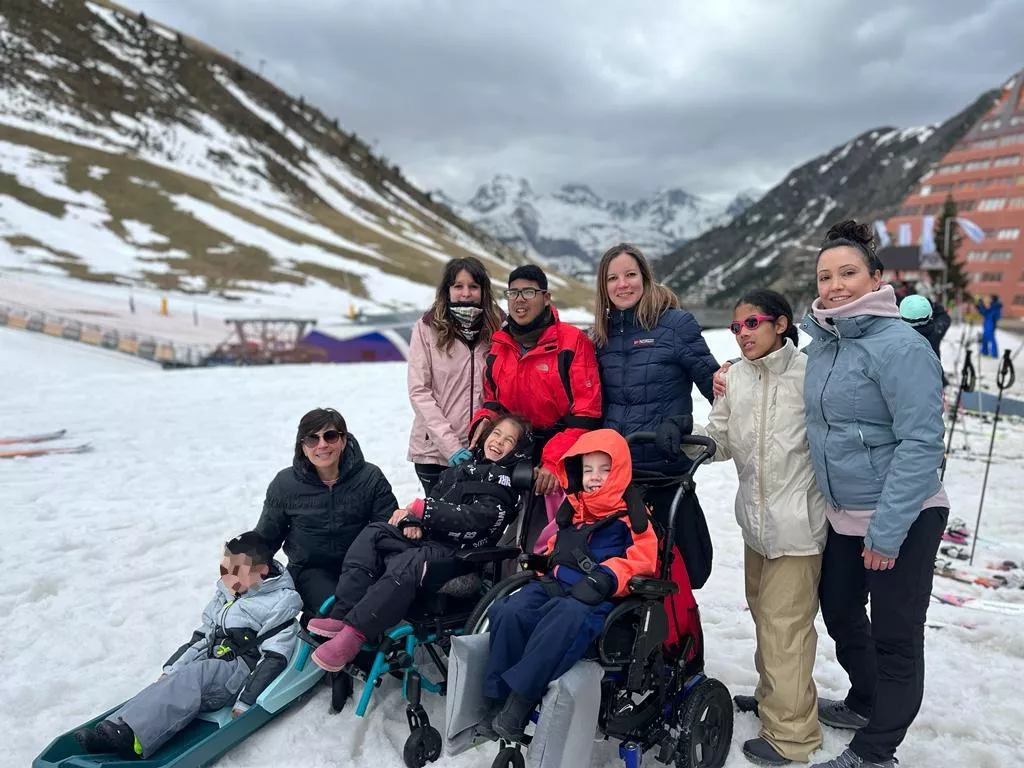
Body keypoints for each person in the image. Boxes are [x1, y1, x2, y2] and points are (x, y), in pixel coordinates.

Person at [803, 220, 949, 768]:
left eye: (847, 273)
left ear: (876, 278)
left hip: (904, 514)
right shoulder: (825, 344)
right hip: (846, 514)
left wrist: (887, 533)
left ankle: (876, 749)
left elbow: (922, 442)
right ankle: (867, 700)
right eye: (825, 276)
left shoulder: (901, 346)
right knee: (840, 611)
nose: (835, 286)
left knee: (895, 636)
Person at [687, 289, 826, 766]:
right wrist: (685, 441)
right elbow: (721, 438)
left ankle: (792, 736)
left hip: (799, 527)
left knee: (786, 629)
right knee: (768, 620)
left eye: (752, 323)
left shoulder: (811, 374)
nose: (742, 333)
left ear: (781, 324)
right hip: (756, 525)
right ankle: (775, 699)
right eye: (735, 327)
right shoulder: (735, 379)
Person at [306, 415, 533, 671]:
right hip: (430, 542)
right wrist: (412, 520)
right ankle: (342, 612)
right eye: (496, 434)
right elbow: (434, 499)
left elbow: (477, 518)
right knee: (375, 532)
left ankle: (354, 636)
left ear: (517, 452)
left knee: (408, 562)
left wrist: (426, 511)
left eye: (508, 440)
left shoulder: (502, 483)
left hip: (460, 559)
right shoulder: (464, 468)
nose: (499, 442)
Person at [481, 429, 658, 742]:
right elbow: (558, 547)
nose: (594, 477)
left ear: (618, 472)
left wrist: (608, 576)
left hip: (596, 597)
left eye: (604, 470)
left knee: (564, 617)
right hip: (556, 583)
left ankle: (520, 702)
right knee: (508, 610)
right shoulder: (575, 507)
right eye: (588, 470)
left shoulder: (632, 515)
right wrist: (542, 562)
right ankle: (496, 697)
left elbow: (644, 559)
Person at [73, 533, 302, 760]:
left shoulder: (279, 602)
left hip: (240, 671)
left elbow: (274, 657)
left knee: (195, 675)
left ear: (261, 571)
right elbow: (202, 636)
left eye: (236, 571)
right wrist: (173, 667)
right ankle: (112, 729)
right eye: (225, 568)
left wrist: (247, 701)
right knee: (175, 679)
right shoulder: (229, 592)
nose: (227, 576)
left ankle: (135, 740)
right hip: (212, 659)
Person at [592, 243, 719, 586]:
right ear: (603, 287)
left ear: (645, 279)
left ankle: (677, 620)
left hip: (663, 468)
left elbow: (717, 387)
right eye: (612, 278)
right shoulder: (600, 337)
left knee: (677, 568)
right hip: (615, 475)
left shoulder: (675, 325)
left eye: (630, 275)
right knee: (618, 570)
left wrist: (685, 425)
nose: (623, 284)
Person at [469, 264, 602, 552]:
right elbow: (493, 400)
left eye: (528, 292)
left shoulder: (572, 342)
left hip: (562, 451)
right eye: (513, 293)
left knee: (541, 540)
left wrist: (553, 462)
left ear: (546, 297)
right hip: (516, 449)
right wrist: (485, 419)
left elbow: (587, 415)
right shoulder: (500, 345)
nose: (519, 300)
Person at [255, 408, 399, 612]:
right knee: (336, 609)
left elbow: (387, 530)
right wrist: (243, 563)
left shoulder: (370, 477)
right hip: (310, 570)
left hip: (362, 567)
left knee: (378, 608)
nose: (322, 444)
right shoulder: (285, 484)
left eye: (330, 436)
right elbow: (266, 536)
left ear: (343, 440)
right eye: (312, 439)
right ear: (303, 447)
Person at [407, 257, 503, 495]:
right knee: (440, 516)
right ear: (447, 290)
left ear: (483, 291)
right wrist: (451, 446)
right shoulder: (426, 328)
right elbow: (419, 391)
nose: (466, 293)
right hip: (434, 454)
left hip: (484, 452)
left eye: (473, 286)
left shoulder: (498, 329)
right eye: (458, 286)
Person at [976, 294, 1002, 358]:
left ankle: (994, 354)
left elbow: (987, 313)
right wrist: (980, 307)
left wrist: (981, 307)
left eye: (990, 299)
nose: (988, 300)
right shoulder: (993, 306)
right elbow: (985, 312)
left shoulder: (995, 306)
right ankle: (985, 352)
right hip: (987, 322)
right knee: (985, 338)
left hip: (991, 323)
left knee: (991, 338)